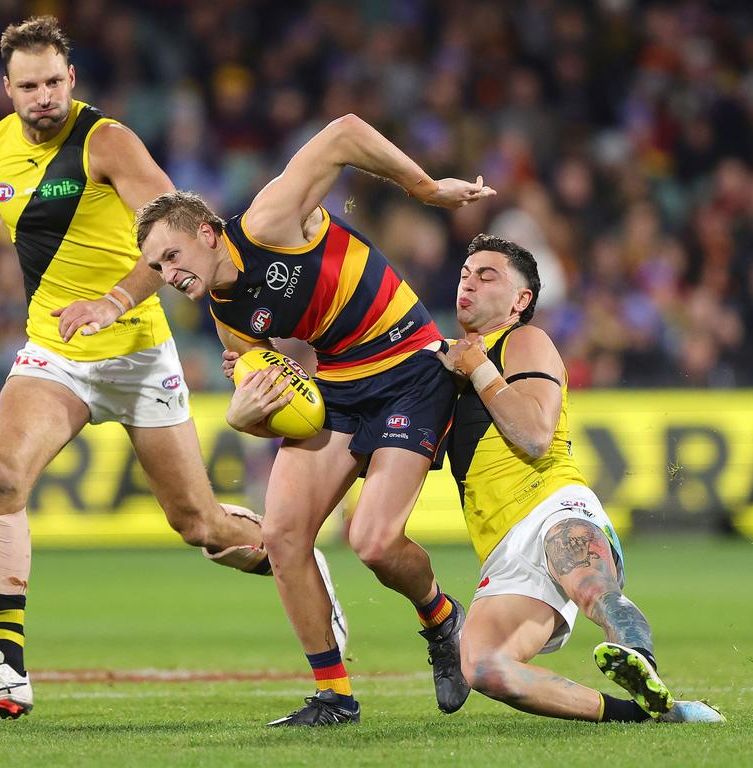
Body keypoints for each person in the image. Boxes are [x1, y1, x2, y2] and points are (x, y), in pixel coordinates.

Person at [0, 16, 346, 720]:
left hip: (134, 352)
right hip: (54, 351)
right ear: (6, 89)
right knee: (1, 476)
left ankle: (300, 569)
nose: (43, 96)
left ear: (72, 80)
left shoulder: (108, 142)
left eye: (54, 82)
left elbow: (181, 230)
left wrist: (113, 300)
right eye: (28, 85)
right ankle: (6, 664)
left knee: (199, 525)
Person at [120, 114, 495, 726]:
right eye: (156, 268)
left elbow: (345, 133)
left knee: (371, 542)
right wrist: (246, 420)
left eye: (171, 254)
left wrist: (426, 190)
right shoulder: (228, 321)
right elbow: (282, 405)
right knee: (282, 536)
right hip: (341, 383)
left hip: (411, 366)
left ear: (209, 233)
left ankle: (440, 618)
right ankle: (335, 696)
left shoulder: (269, 220)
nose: (167, 274)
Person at [435, 232, 725, 724]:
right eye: (465, 275)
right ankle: (648, 716)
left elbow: (533, 436)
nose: (470, 285)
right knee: (484, 666)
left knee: (589, 585)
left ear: (521, 299)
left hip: (552, 504)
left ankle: (637, 654)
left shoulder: (524, 340)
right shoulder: (454, 363)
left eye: (488, 277)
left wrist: (479, 368)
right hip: (502, 547)